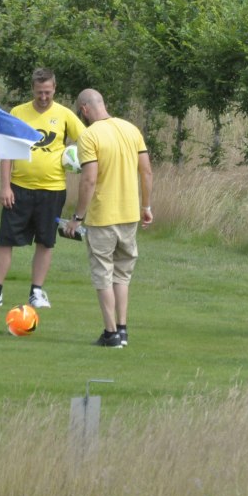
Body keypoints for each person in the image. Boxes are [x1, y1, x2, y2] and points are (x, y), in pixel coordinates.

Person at [0, 68, 85, 310]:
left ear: (54, 89)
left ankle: (36, 292)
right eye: (39, 92)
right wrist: (5, 186)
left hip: (53, 190)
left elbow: (87, 140)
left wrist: (76, 158)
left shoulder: (65, 115)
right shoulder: (18, 113)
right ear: (32, 89)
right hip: (18, 188)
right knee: (6, 240)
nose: (43, 97)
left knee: (46, 242)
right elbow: (6, 152)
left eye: (47, 92)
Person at [64, 89, 153, 348]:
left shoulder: (89, 135)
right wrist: (146, 206)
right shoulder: (131, 129)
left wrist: (77, 217)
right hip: (129, 214)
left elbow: (89, 180)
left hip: (102, 216)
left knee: (103, 274)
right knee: (122, 274)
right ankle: (122, 330)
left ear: (84, 110)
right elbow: (146, 171)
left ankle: (110, 333)